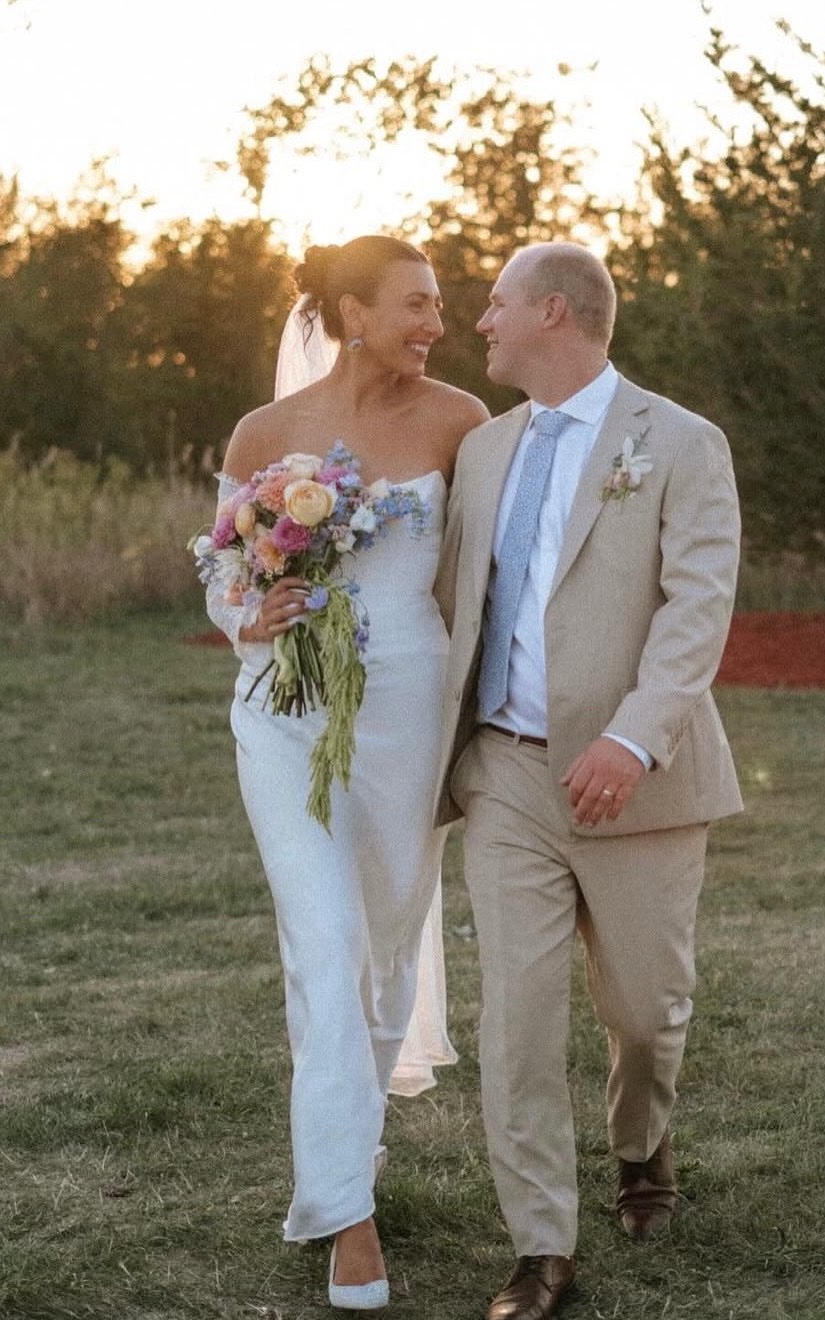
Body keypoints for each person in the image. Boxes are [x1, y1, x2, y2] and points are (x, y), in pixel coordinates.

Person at [433, 242, 743, 1320]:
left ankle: (641, 1145)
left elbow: (698, 609)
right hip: (509, 776)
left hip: (638, 782)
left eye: (497, 304)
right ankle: (540, 1246)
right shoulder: (483, 450)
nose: (482, 322)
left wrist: (634, 737)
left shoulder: (683, 442)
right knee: (517, 1018)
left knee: (647, 1014)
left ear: (554, 314)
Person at [205, 235, 488, 1311]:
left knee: (382, 947)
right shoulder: (265, 433)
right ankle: (346, 1220)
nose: (436, 324)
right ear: (351, 312)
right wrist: (251, 611)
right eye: (416, 305)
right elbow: (223, 576)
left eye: (443, 308)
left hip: (408, 714)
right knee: (322, 942)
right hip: (284, 710)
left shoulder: (463, 421)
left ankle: (351, 1138)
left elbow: (490, 569)